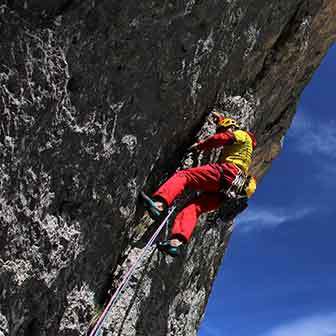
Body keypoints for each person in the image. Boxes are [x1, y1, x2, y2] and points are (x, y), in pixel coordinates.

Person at [143, 113, 257, 256]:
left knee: (184, 176)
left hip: (227, 173)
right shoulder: (248, 150)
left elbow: (222, 138)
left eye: (224, 128)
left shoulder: (242, 134)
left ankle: (159, 205)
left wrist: (200, 146)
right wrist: (221, 121)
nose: (222, 131)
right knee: (194, 208)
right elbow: (226, 133)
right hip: (229, 192)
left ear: (232, 127)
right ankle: (175, 243)